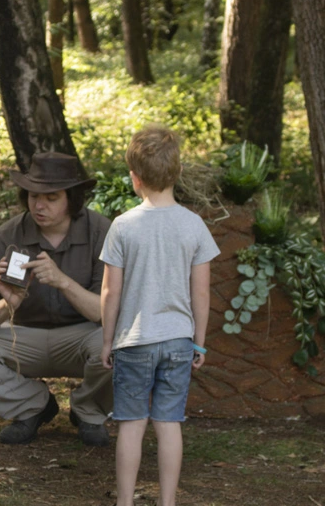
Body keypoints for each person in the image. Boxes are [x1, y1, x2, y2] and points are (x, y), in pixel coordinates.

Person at [0, 152, 113, 446]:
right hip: (22, 337)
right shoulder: (10, 233)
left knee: (122, 342)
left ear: (72, 198)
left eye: (51, 197)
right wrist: (8, 304)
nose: (39, 205)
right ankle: (32, 406)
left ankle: (88, 411)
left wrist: (63, 282)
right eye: (33, 196)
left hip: (82, 337)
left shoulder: (100, 231)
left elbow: (106, 312)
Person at [99, 124, 220, 506]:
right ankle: (168, 501)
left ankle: (125, 501)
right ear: (178, 172)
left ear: (135, 178)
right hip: (178, 341)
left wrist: (107, 340)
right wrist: (199, 339)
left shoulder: (123, 226)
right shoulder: (194, 225)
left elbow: (110, 291)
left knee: (131, 427)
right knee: (169, 425)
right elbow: (200, 292)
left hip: (134, 341)